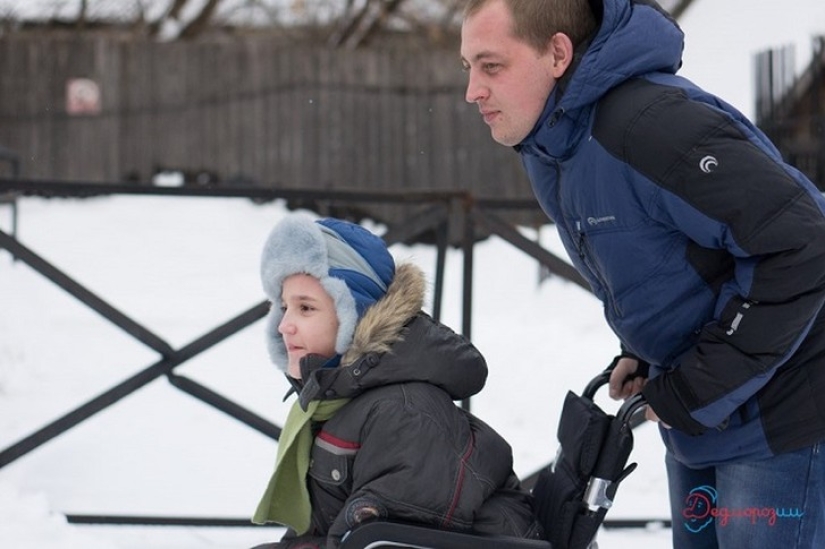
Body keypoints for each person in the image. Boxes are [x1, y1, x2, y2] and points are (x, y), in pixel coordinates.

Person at [461, 1, 825, 548]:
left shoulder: (651, 126)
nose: (472, 90)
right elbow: (675, 257)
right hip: (700, 413)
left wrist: (696, 383)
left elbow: (803, 243)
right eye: (467, 67)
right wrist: (646, 351)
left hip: (785, 413)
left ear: (557, 54)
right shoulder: (549, 148)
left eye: (491, 66)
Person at [249, 214, 542, 549]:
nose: (284, 325)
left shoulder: (403, 413)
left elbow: (382, 541)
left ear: (354, 314)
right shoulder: (341, 399)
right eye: (284, 307)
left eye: (305, 308)